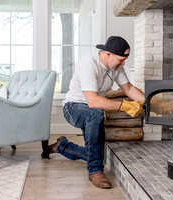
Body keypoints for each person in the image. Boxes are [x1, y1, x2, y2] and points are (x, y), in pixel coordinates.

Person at [43, 36, 145, 189]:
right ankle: (95, 171)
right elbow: (92, 101)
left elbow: (128, 88)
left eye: (125, 59)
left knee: (97, 153)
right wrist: (125, 106)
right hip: (73, 108)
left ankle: (61, 146)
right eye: (121, 59)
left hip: (92, 111)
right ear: (108, 54)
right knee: (96, 113)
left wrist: (150, 101)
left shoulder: (116, 68)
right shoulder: (88, 64)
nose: (123, 63)